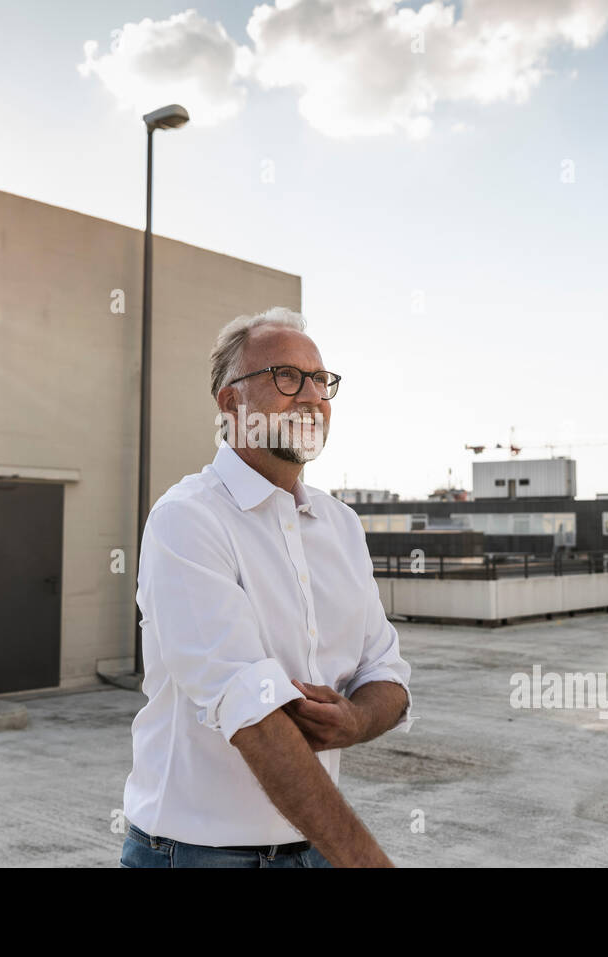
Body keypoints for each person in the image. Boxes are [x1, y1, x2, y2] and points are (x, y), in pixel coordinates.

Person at [120, 306, 415, 868]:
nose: (310, 396)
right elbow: (251, 712)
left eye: (320, 380)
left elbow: (387, 673)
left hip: (314, 847)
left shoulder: (341, 525)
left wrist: (355, 720)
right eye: (285, 376)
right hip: (197, 854)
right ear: (231, 404)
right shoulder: (187, 520)